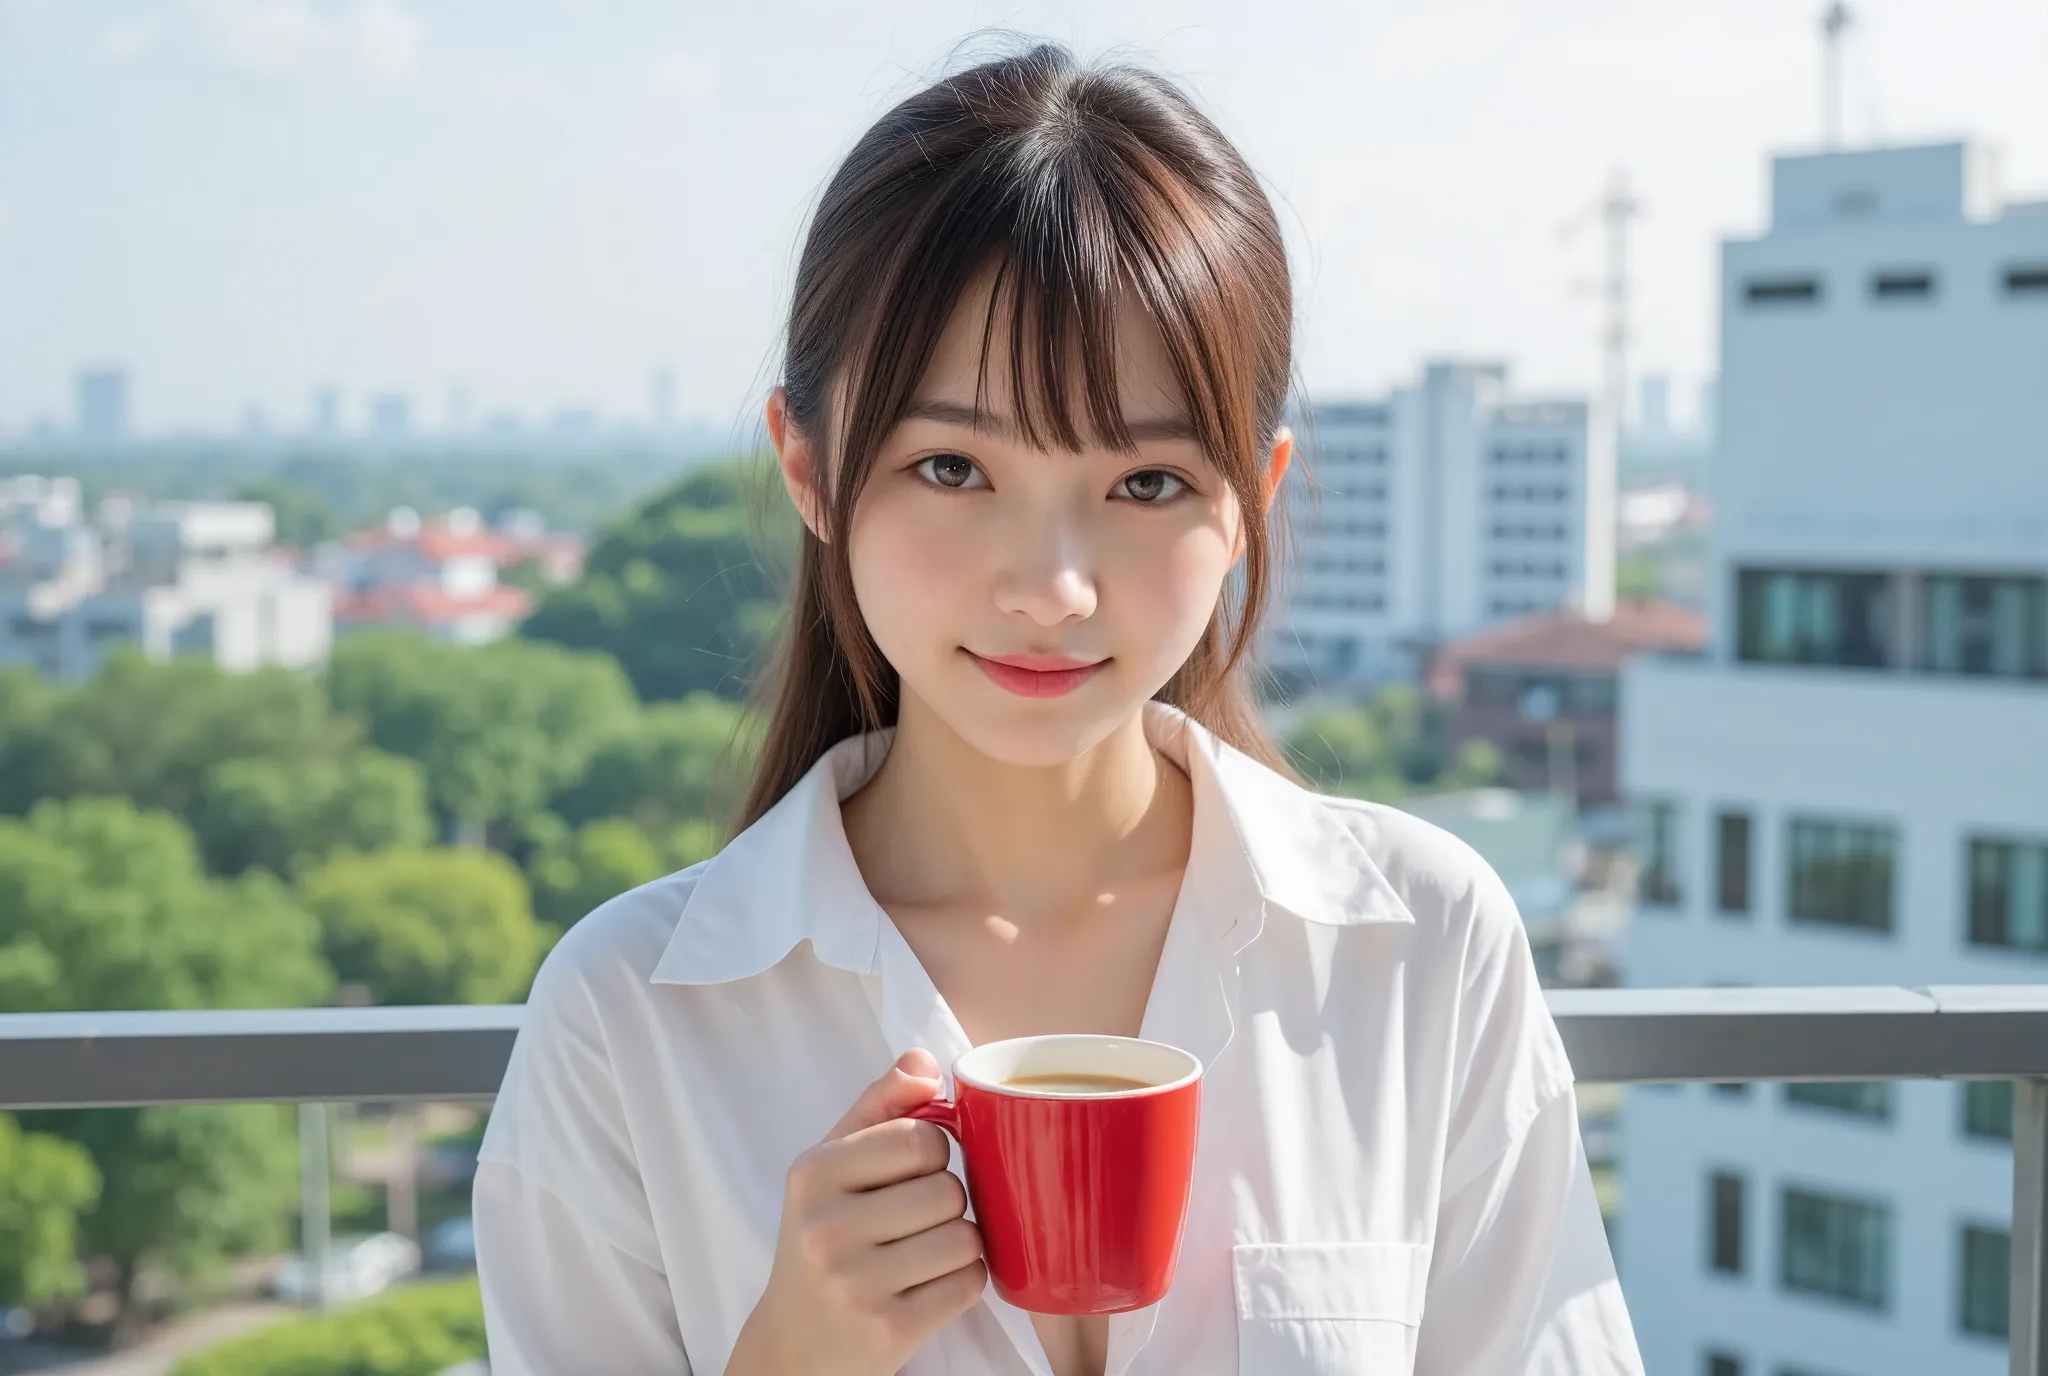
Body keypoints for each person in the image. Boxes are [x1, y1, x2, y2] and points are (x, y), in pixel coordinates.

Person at [473, 40, 1645, 1376]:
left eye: (1145, 483)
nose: (1051, 588)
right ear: (808, 464)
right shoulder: (635, 1017)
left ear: (1253, 497)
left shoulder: (1415, 946)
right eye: (953, 465)